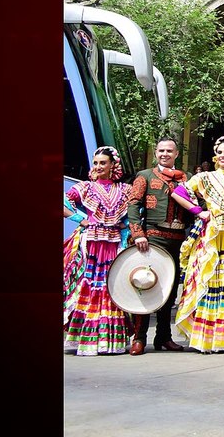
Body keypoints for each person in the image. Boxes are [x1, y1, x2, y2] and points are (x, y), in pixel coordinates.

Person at [171, 136, 224, 354]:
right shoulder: (204, 177)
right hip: (210, 235)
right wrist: (199, 211)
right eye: (221, 152)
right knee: (207, 280)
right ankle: (207, 339)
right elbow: (178, 193)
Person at [63, 146, 132, 356]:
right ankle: (87, 339)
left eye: (103, 163)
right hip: (92, 242)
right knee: (90, 285)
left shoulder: (124, 190)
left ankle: (108, 340)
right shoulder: (85, 188)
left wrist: (125, 225)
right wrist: (81, 220)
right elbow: (64, 202)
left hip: (113, 243)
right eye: (96, 163)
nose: (99, 167)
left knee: (111, 287)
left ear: (113, 165)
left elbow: (137, 211)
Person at [125, 137, 189, 355]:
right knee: (146, 284)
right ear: (156, 153)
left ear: (176, 154)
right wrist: (138, 234)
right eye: (161, 150)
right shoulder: (145, 176)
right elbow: (133, 204)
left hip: (178, 237)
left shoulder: (184, 178)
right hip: (152, 236)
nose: (165, 154)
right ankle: (139, 337)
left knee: (169, 289)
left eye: (169, 151)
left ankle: (163, 336)